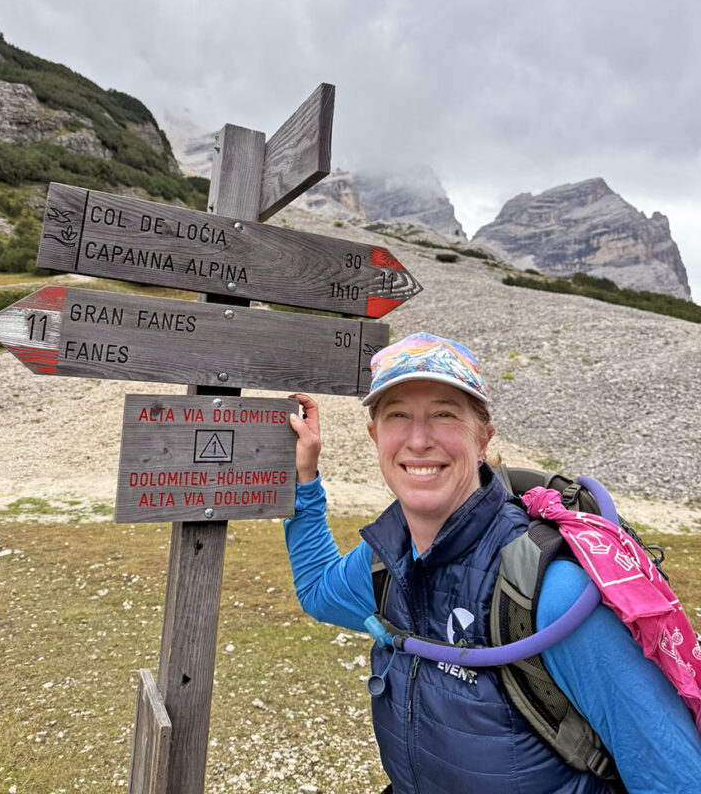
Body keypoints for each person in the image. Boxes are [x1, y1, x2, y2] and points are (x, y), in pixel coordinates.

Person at [285, 332, 701, 794]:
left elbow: (675, 778)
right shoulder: (387, 561)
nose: (418, 439)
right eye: (397, 415)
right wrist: (306, 479)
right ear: (374, 435)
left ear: (483, 436)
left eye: (444, 414)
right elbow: (319, 591)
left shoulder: (551, 592)